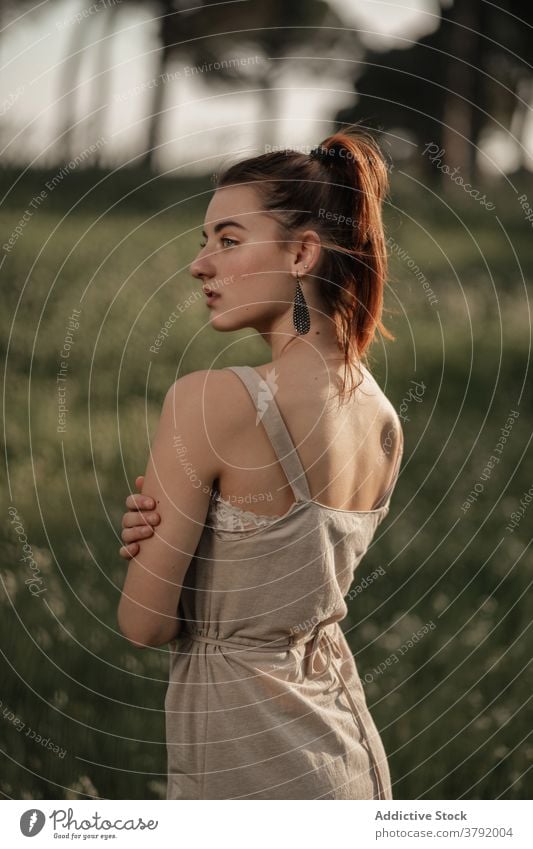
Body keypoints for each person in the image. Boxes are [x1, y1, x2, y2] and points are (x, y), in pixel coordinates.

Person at [117, 128, 404, 800]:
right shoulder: (383, 418)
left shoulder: (212, 401)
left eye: (228, 238)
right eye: (204, 241)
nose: (200, 264)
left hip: (248, 761)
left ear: (302, 251)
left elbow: (144, 623)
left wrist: (152, 552)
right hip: (344, 759)